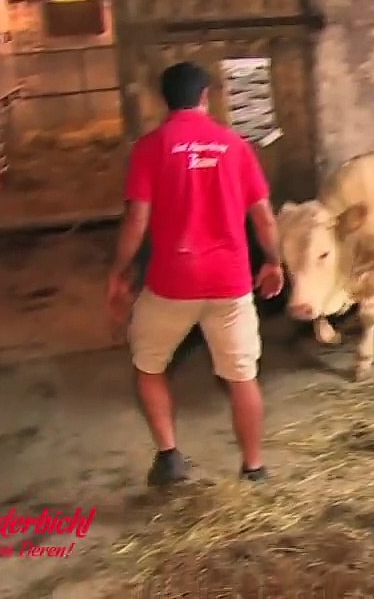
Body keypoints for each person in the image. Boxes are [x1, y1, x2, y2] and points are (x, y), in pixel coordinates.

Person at [106, 61, 286, 487]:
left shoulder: (150, 147)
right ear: (206, 96)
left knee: (149, 366)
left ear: (161, 100)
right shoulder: (235, 145)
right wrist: (274, 260)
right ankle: (254, 467)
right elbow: (263, 217)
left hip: (172, 283)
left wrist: (119, 271)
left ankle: (169, 456)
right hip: (230, 282)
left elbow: (136, 220)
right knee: (243, 376)